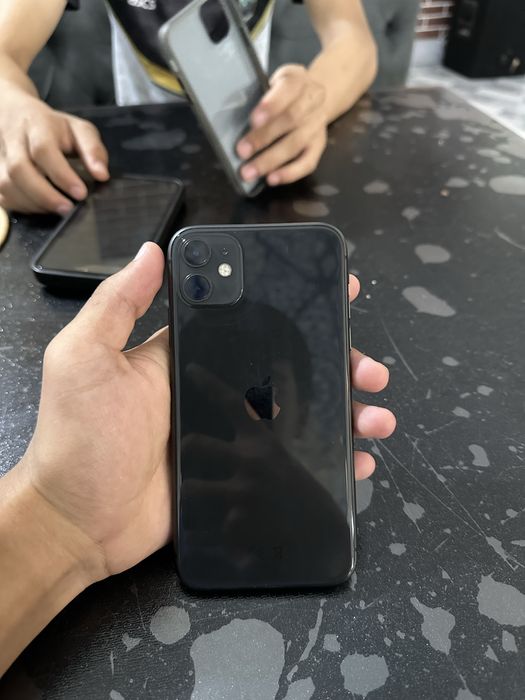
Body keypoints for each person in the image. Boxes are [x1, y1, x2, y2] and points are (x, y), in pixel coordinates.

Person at [0, 243, 396, 674]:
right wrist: (57, 516)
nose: (257, 408)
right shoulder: (314, 531)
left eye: (267, 395)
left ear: (306, 411)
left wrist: (56, 520)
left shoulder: (317, 524)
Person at [0, 0, 378, 214]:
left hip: (252, 145)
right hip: (136, 173)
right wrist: (13, 105)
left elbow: (353, 38)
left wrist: (315, 100)